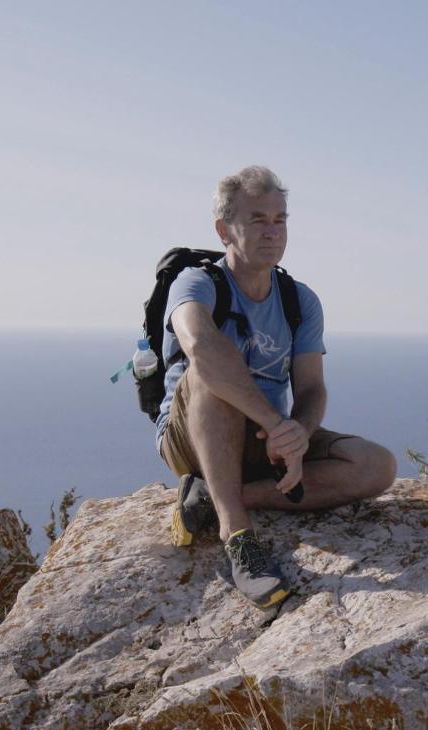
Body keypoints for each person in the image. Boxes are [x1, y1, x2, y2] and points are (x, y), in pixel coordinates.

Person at [155, 165, 397, 608]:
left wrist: (298, 432)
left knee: (377, 466)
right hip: (193, 436)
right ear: (224, 230)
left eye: (279, 219)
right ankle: (237, 535)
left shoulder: (298, 300)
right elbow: (201, 346)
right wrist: (275, 423)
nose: (272, 232)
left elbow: (312, 388)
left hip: (266, 440)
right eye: (257, 220)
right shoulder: (196, 283)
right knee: (215, 373)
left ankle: (216, 496)